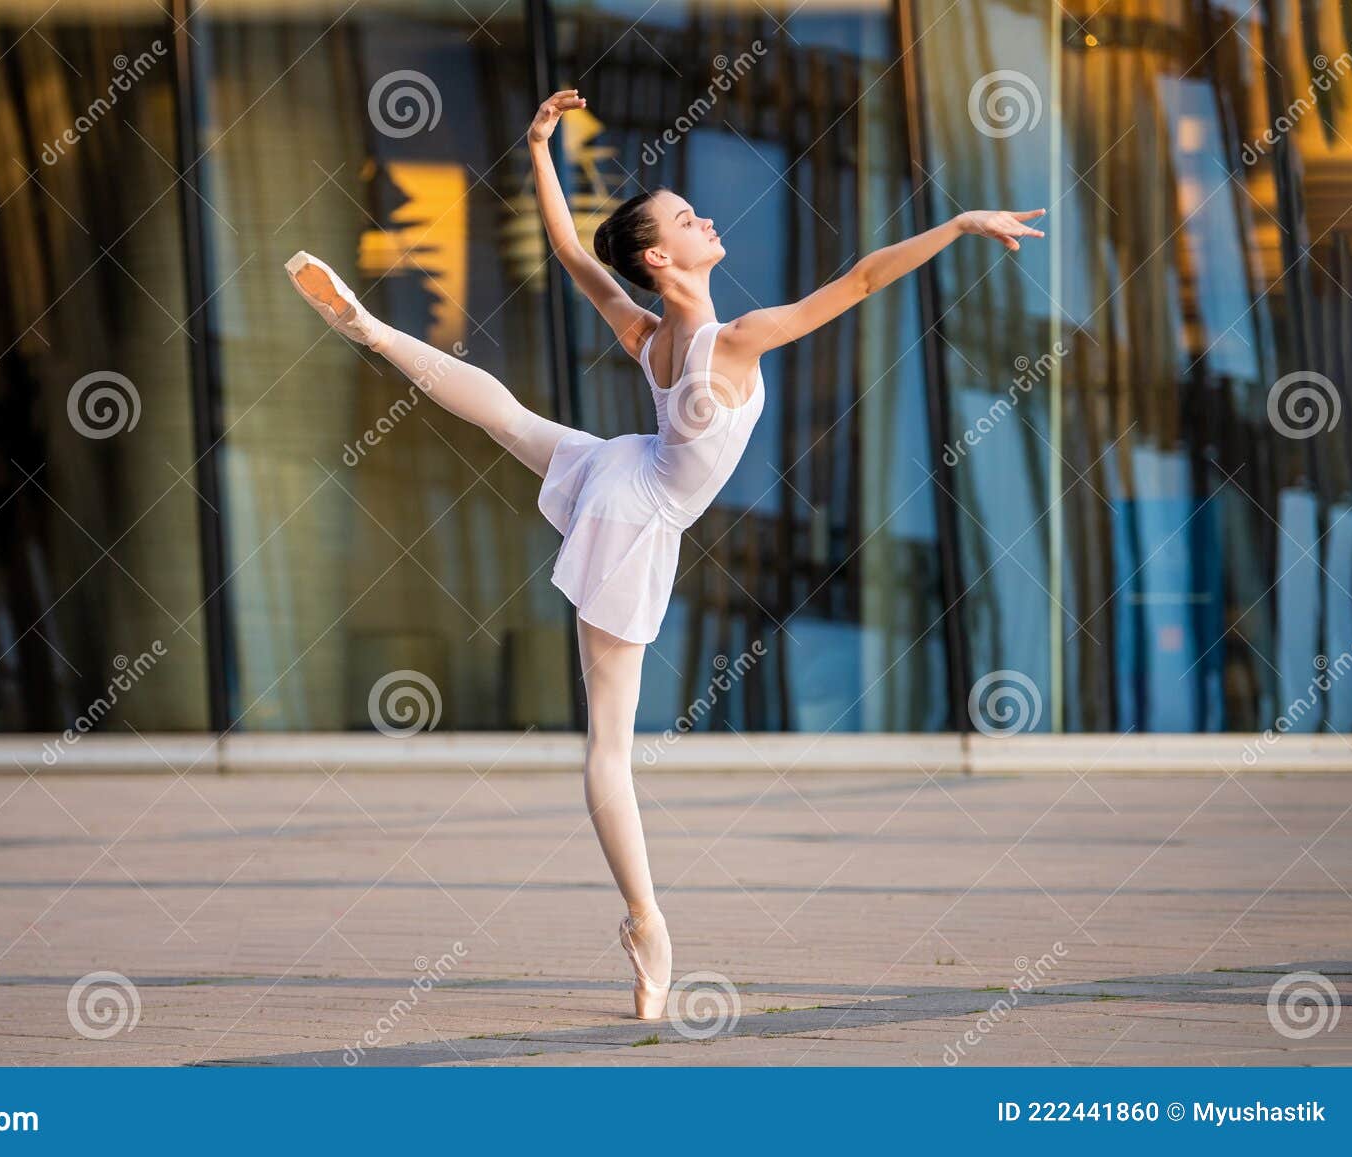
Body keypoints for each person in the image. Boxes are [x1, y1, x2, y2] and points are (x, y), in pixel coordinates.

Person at [285, 88, 1044, 1020]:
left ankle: (372, 329)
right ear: (659, 255)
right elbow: (859, 283)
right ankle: (646, 924)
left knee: (511, 417)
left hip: (621, 472)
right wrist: (959, 225)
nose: (708, 218)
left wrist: (536, 147)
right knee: (609, 752)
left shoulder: (651, 339)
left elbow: (571, 253)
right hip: (635, 515)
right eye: (689, 218)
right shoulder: (732, 344)